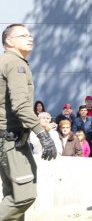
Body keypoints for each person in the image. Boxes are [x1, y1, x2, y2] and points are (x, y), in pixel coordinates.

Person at [0, 24, 57, 220]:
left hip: (8, 140)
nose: (30, 38)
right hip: (12, 141)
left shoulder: (4, 61)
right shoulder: (16, 64)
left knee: (13, 195)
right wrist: (42, 133)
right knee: (24, 197)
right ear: (9, 41)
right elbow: (21, 106)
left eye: (30, 35)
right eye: (23, 35)